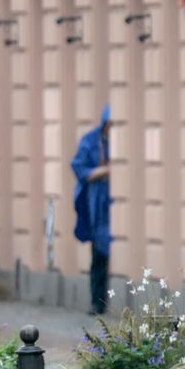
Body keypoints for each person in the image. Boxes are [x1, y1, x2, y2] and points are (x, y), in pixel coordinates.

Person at [71, 105, 112, 315]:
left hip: (113, 203)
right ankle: (97, 302)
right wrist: (102, 171)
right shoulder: (90, 141)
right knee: (98, 252)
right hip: (97, 205)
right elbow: (78, 167)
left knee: (108, 251)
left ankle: (103, 300)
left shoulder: (117, 140)